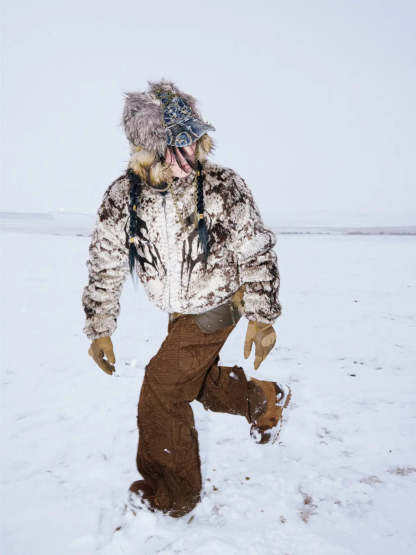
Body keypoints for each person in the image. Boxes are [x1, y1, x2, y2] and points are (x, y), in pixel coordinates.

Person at [82, 79, 291, 518]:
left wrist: (261, 316)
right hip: (180, 308)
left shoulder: (222, 186)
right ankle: (264, 400)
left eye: (194, 140)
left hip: (219, 304)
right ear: (151, 149)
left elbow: (255, 249)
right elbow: (106, 261)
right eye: (179, 144)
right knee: (194, 383)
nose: (191, 152)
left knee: (161, 391)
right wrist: (100, 327)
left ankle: (175, 494)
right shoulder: (123, 197)